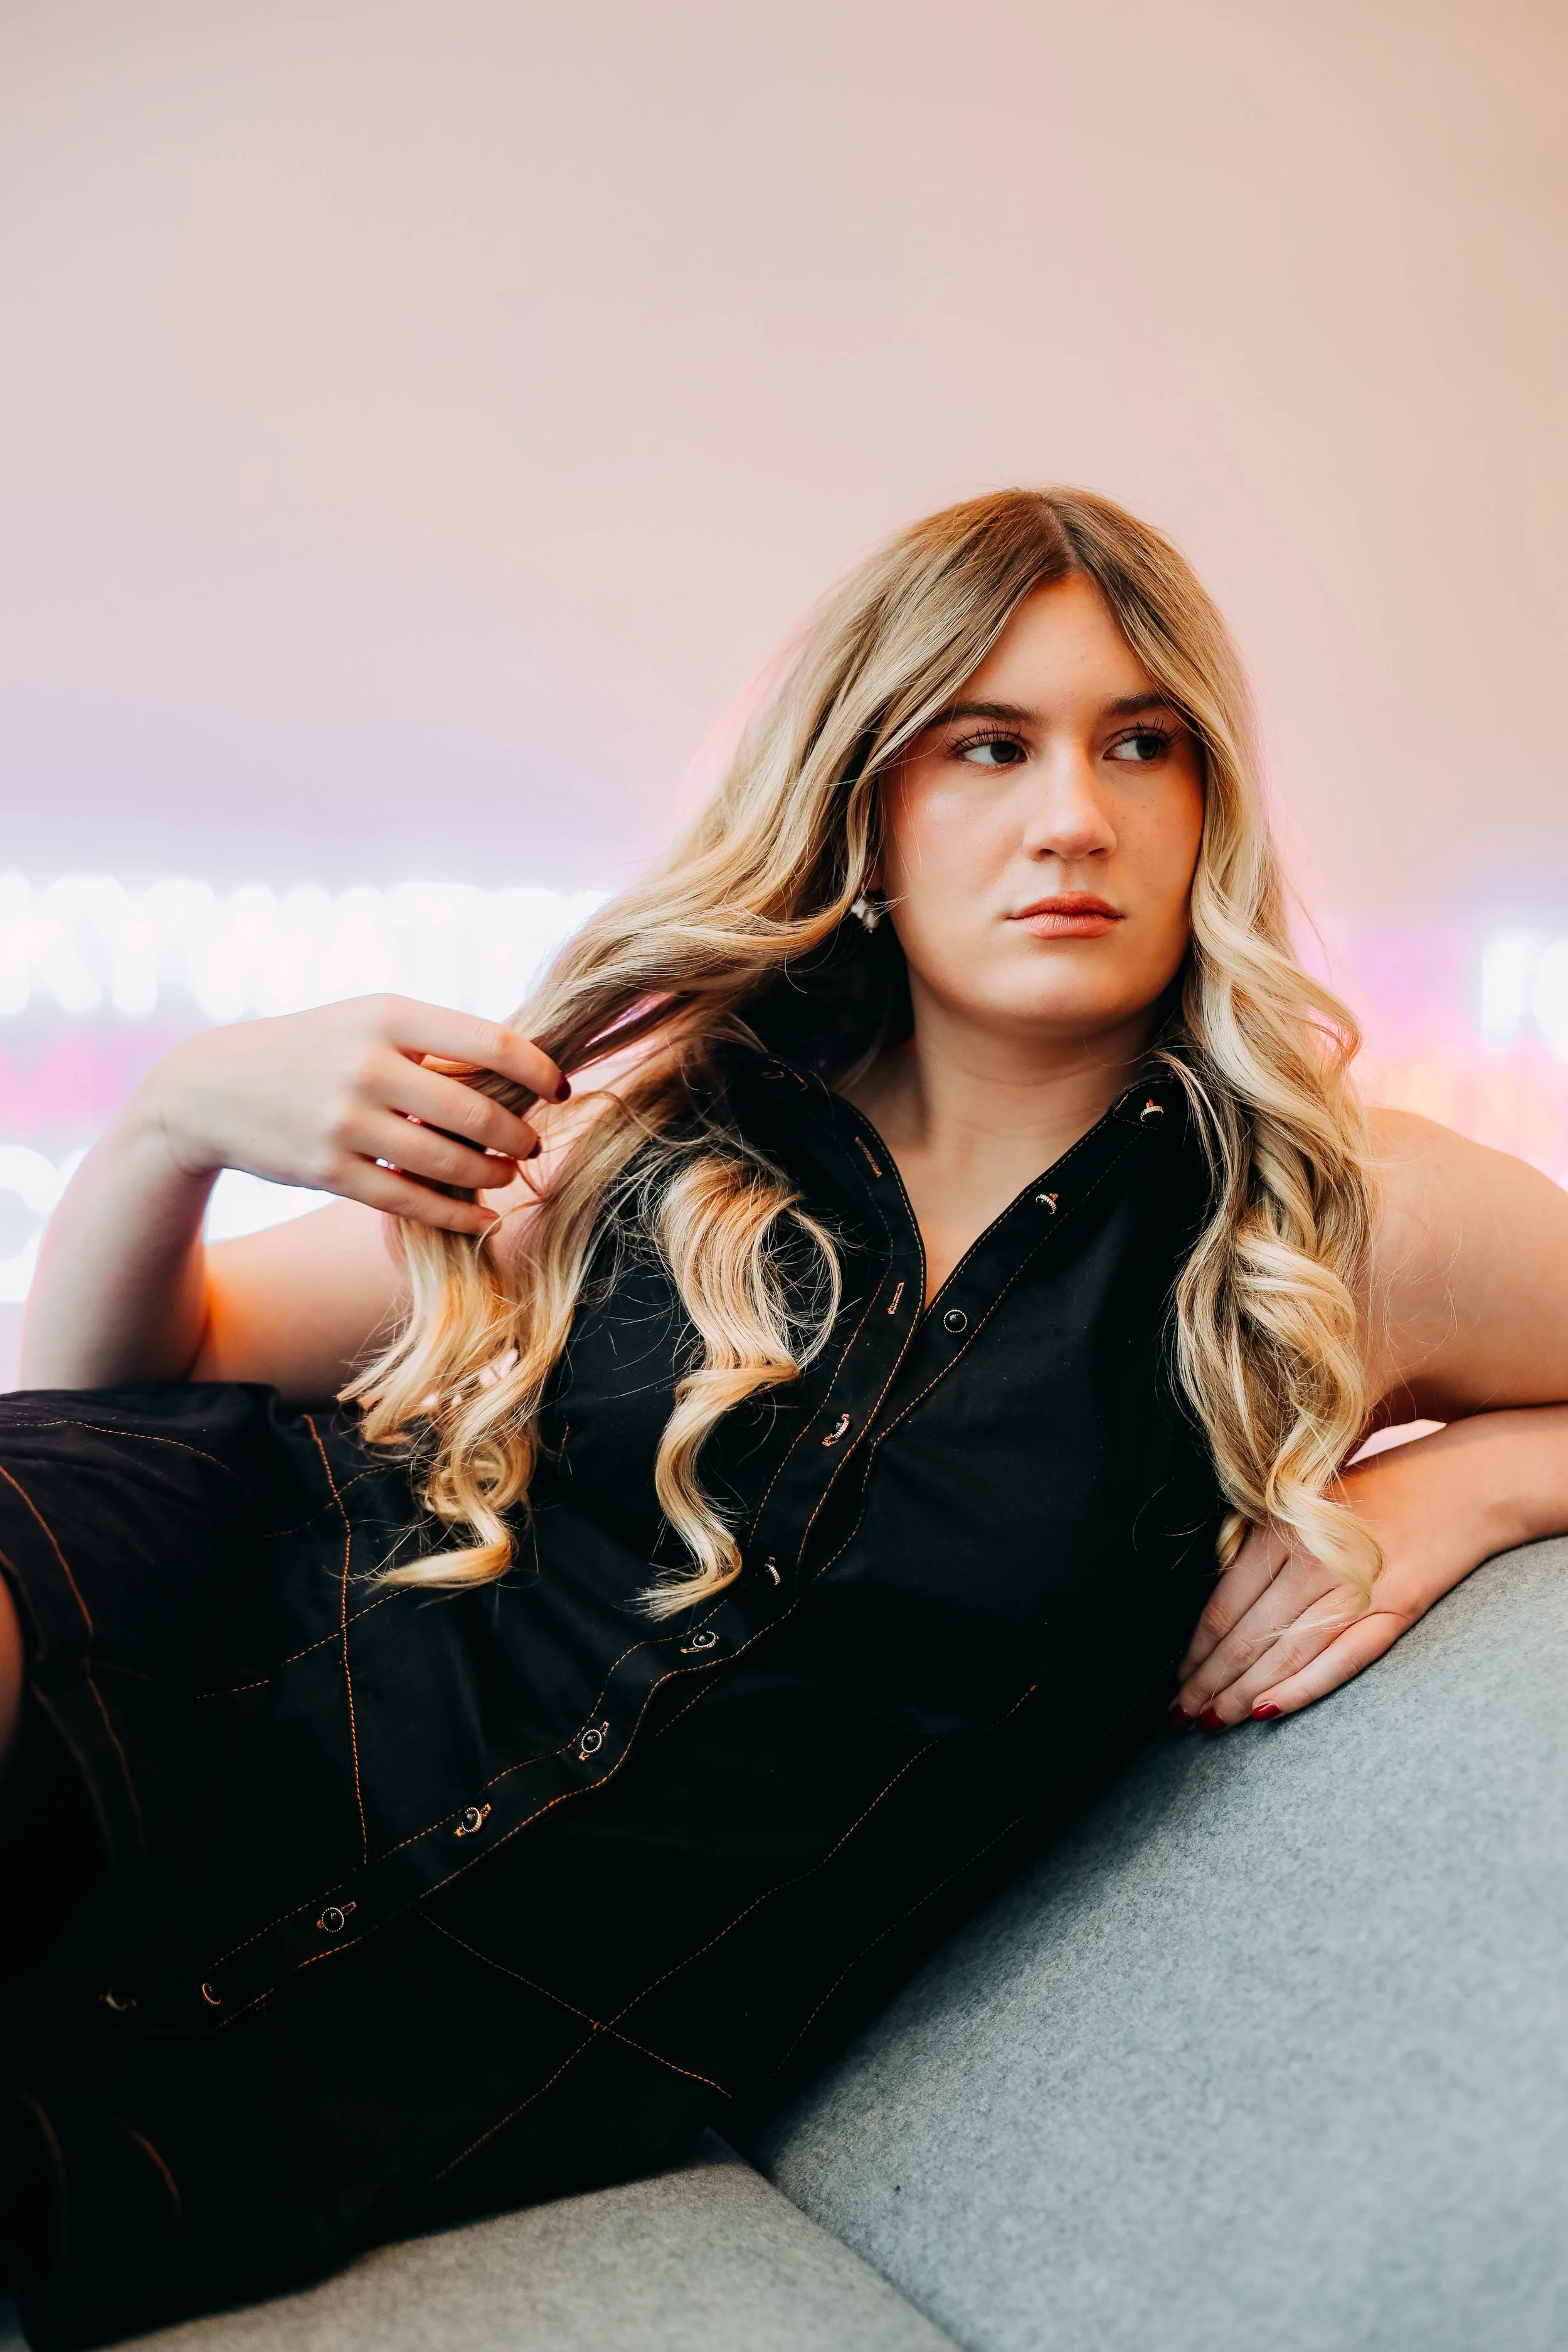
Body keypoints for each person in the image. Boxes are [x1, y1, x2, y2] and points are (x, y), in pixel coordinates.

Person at [4, 488, 1567, 2350]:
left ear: (1202, 805)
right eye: (985, 745)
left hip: (380, 2054)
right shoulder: (650, 1133)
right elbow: (115, 1394)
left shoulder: (1335, 1224)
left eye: (1137, 743)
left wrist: (1491, 1476)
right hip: (157, 1662)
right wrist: (173, 1121)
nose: (1072, 813)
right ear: (871, 813)